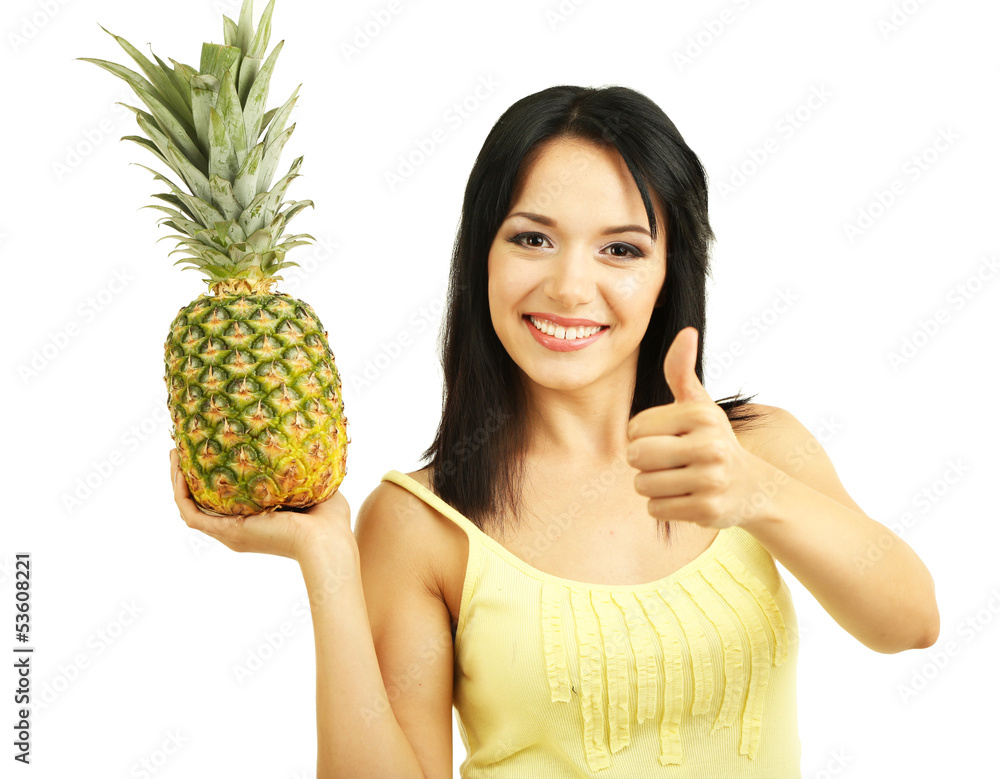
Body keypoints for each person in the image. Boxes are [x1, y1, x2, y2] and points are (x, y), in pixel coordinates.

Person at [171, 85, 940, 778]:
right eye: (532, 238)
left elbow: (910, 622)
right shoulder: (421, 523)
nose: (570, 286)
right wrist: (327, 559)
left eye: (622, 249)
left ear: (673, 271)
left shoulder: (756, 446)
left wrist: (757, 491)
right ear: (481, 256)